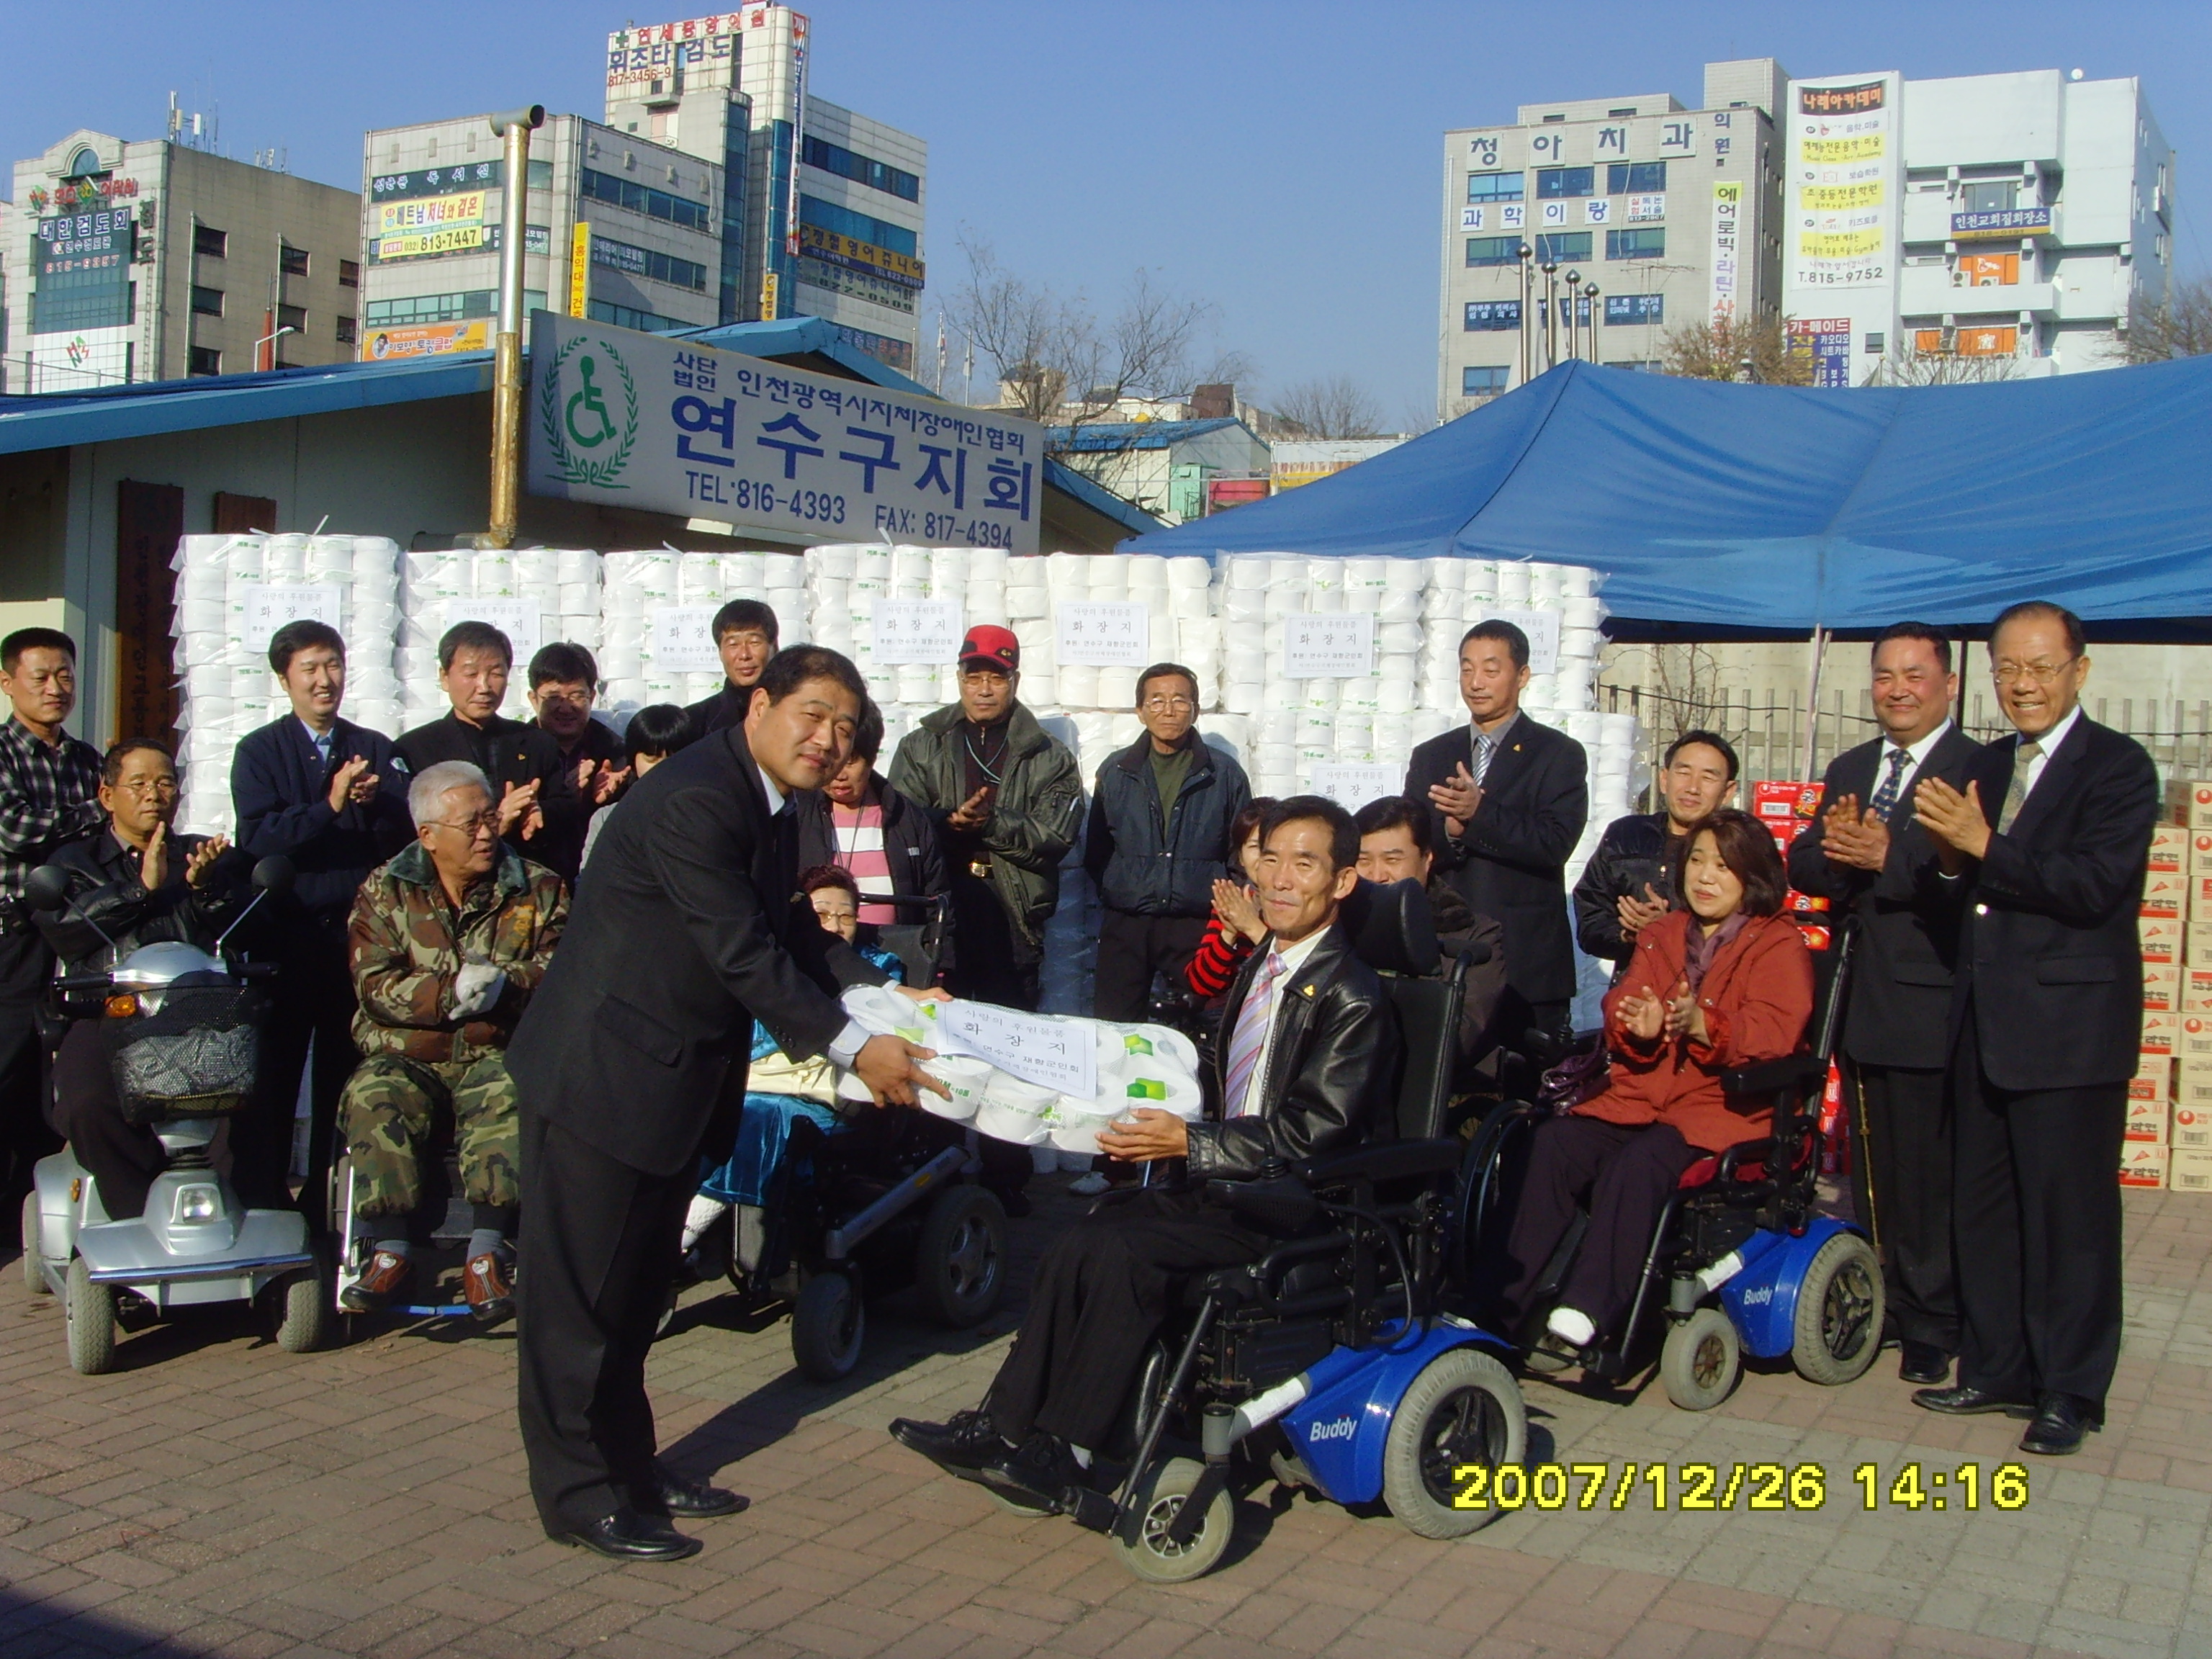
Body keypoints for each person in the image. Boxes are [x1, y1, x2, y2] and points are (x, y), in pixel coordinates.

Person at [509, 646, 943, 1563]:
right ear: (759, 703)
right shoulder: (699, 796)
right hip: (604, 1080)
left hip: (669, 1084)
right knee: (578, 1300)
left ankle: (629, 1465)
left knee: (632, 1295)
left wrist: (890, 997)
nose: (829, 740)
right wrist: (858, 1047)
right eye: (813, 716)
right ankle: (578, 1494)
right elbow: (743, 954)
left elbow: (790, 929)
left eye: (846, 726)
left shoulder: (775, 801)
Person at [890, 796, 1402, 1511]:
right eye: (1272, 859)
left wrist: (1189, 1142)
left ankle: (1066, 1449)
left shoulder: (1352, 996)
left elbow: (1315, 1131)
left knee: (1126, 1253)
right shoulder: (1265, 962)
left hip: (1293, 1201)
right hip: (1226, 1180)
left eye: (1305, 864)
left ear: (1343, 882)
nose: (1281, 879)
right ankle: (1003, 1426)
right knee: (1084, 1236)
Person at [1911, 602, 2159, 1456]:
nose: (2024, 685)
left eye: (2042, 668)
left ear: (2079, 672)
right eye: (2009, 669)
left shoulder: (2118, 768)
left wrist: (1983, 844)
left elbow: (2093, 886)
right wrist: (1947, 861)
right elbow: (1955, 891)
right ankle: (1996, 1365)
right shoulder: (1983, 763)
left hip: (2069, 1029)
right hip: (1982, 1021)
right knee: (1982, 1207)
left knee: (2069, 1216)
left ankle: (2071, 1389)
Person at [1497, 809, 1812, 1355]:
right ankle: (1502, 1301)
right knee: (1553, 1144)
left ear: (1753, 876)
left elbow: (1775, 1032)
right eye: (1697, 861)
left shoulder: (1777, 944)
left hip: (1723, 1110)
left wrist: (1703, 1024)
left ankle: (1590, 1306)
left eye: (1723, 865)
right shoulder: (1665, 932)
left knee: (1638, 1166)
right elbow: (1627, 997)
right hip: (1642, 1096)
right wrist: (1633, 1022)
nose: (1705, 876)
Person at [1786, 624, 1978, 1386]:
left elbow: (1967, 880)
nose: (1897, 689)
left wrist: (1886, 857)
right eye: (1884, 676)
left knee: (1929, 1168)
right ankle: (1888, 1297)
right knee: (1869, 1165)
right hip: (1858, 991)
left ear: (1949, 684)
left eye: (1914, 674)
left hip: (1934, 993)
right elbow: (1805, 859)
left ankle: (1936, 1317)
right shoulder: (1853, 766)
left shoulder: (1976, 769)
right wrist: (1838, 850)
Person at [336, 760, 565, 1321]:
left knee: (511, 1091)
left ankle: (487, 1254)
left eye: (491, 818)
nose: (487, 833)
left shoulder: (536, 887)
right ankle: (390, 1249)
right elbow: (372, 984)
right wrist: (446, 993)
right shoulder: (385, 890)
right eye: (472, 824)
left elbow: (564, 971)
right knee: (372, 1095)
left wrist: (506, 985)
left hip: (497, 1049)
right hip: (408, 1054)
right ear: (428, 836)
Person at [233, 620, 415, 1210]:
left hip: (355, 937)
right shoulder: (259, 751)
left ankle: (331, 1201)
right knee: (276, 1072)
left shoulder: (373, 746)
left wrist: (374, 804)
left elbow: (404, 835)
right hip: (285, 935)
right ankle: (262, 1195)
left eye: (332, 665)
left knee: (346, 1069)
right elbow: (259, 839)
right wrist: (330, 804)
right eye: (309, 668)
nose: (324, 680)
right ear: (284, 678)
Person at [35, 741, 244, 1221]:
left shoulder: (200, 856)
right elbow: (65, 932)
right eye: (140, 784)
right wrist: (139, 889)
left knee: (258, 1084)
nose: (154, 794)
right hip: (107, 1014)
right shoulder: (75, 863)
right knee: (88, 1105)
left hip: (194, 1017)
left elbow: (243, 927)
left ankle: (253, 1215)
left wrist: (204, 888)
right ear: (107, 796)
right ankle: (135, 1217)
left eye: (165, 782)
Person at [678, 866, 909, 1272]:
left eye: (847, 917)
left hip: (826, 1093)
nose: (836, 926)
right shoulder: (774, 967)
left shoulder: (880, 967)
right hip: (753, 1076)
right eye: (823, 916)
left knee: (757, 1118)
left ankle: (678, 1243)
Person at [1403, 619, 1587, 1045]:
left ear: (1521, 675)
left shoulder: (1558, 754)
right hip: (1448, 949)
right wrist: (1448, 835)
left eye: (1490, 669)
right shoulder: (1433, 754)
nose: (1476, 682)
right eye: (1467, 669)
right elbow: (1413, 839)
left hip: (1527, 961)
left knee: (1524, 1093)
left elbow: (1554, 842)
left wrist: (1480, 815)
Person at [888, 626, 1083, 1014]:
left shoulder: (1049, 755)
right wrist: (947, 821)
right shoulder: (923, 744)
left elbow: (1056, 837)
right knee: (941, 1019)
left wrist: (990, 823)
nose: (984, 689)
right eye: (973, 677)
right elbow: (899, 820)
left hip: (1012, 905)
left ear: (1016, 681)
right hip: (943, 901)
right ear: (959, 679)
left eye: (996, 678)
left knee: (1011, 1024)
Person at [0, 628, 102, 1229]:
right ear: (9, 682)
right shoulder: (5, 753)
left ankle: (34, 1205)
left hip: (78, 935)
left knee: (60, 1070)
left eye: (64, 674)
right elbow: (14, 831)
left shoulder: (87, 758)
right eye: (40, 676)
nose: (55, 688)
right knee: (9, 1060)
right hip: (16, 936)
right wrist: (92, 809)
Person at [1084, 662, 1251, 1022]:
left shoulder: (1224, 774)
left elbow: (1241, 850)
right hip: (1128, 922)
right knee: (1115, 1025)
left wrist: (1223, 903)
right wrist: (1120, 885)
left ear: (1196, 709)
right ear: (1140, 712)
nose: (1168, 709)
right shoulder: (1116, 771)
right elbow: (1097, 848)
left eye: (1179, 700)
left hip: (1196, 921)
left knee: (1205, 1022)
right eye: (1157, 701)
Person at [1353, 795, 1508, 1082]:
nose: (1376, 875)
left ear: (1427, 859)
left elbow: (1461, 1036)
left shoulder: (1474, 935)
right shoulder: (1338, 926)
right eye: (1364, 861)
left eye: (1392, 860)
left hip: (1435, 1088)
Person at [395, 621, 569, 866]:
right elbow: (406, 831)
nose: (484, 687)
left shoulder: (536, 743)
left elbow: (564, 808)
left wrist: (538, 814)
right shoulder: (415, 749)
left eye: (496, 674)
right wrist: (496, 821)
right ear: (444, 677)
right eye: (471, 674)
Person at [793, 701, 950, 969]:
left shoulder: (906, 819)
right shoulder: (795, 815)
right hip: (812, 961)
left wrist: (939, 968)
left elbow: (937, 901)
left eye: (851, 762)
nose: (839, 774)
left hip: (890, 963)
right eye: (832, 759)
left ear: (872, 759)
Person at [1574, 731, 1740, 974]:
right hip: (1635, 992)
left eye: (1708, 777)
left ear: (1728, 792)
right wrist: (1628, 934)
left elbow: (1750, 932)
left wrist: (1668, 928)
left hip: (1709, 994)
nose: (1693, 788)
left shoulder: (1741, 850)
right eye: (1683, 773)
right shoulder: (1626, 837)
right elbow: (1591, 919)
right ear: (1664, 779)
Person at [526, 642, 629, 886]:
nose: (566, 707)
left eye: (576, 696)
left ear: (592, 697)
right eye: (553, 697)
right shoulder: (518, 751)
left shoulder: (614, 752)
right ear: (533, 699)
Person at [580, 703, 697, 873]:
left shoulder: (705, 817)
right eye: (651, 757)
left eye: (674, 757)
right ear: (633, 759)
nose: (662, 768)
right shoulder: (608, 818)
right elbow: (588, 881)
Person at [1184, 798, 1272, 1002]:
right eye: (1254, 847)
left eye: (1271, 848)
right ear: (1240, 857)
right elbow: (1201, 984)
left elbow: (1296, 970)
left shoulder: (1297, 904)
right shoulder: (1234, 903)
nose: (1264, 857)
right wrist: (1229, 932)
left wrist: (1253, 927)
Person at [683, 599, 779, 738]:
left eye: (754, 642)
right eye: (733, 645)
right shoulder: (694, 723)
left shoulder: (797, 713)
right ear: (720, 652)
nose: (744, 655)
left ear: (774, 647)